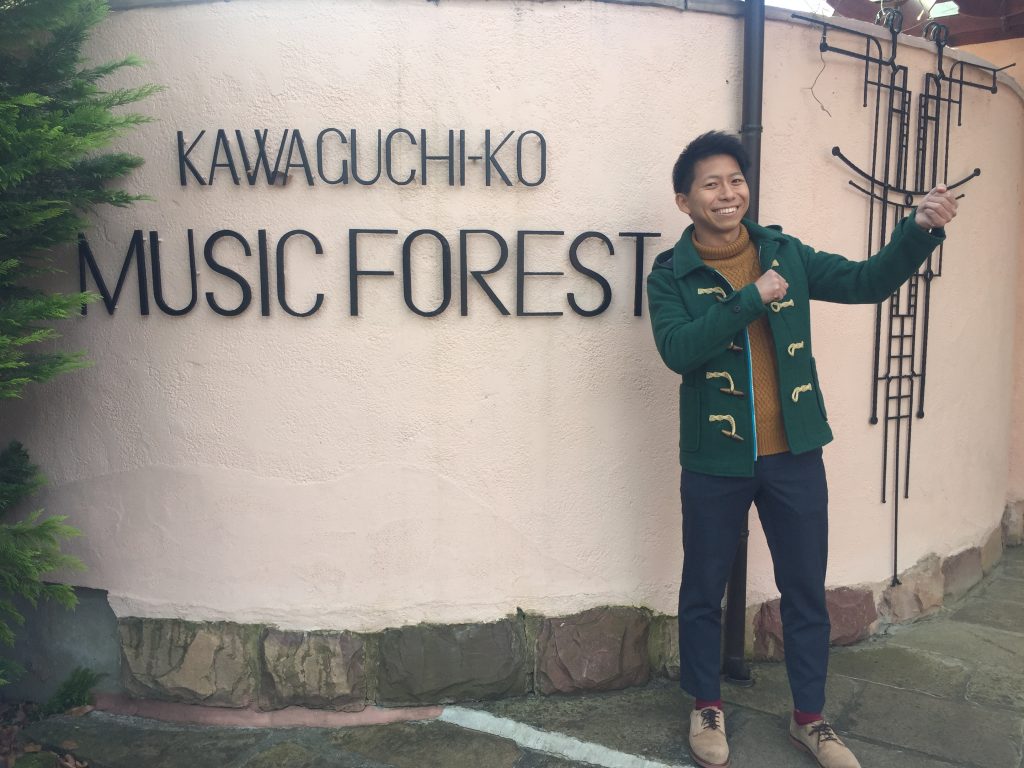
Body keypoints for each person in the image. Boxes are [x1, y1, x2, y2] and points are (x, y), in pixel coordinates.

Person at [646, 130, 957, 768]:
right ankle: (706, 704)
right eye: (711, 183)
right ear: (685, 201)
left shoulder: (785, 252)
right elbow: (678, 350)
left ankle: (810, 717)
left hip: (794, 453)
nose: (728, 193)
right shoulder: (670, 274)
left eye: (736, 180)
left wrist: (918, 231)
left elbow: (867, 282)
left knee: (805, 589)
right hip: (714, 457)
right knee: (703, 588)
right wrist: (750, 298)